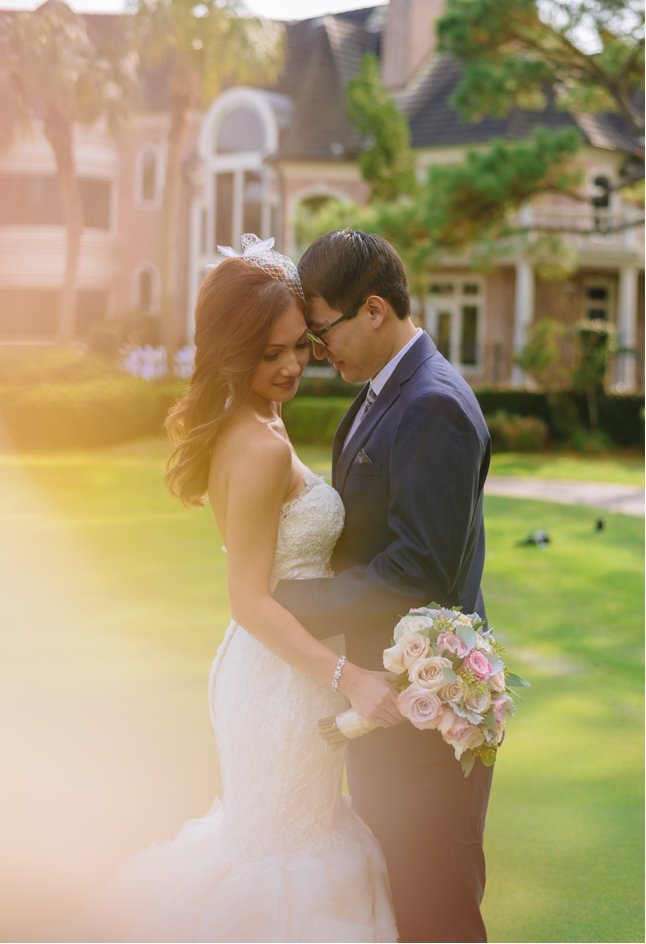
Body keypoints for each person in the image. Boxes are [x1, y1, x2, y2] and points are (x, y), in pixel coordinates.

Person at [58, 234, 399, 943]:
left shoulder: (257, 422)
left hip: (285, 673)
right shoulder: (257, 444)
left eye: (298, 345)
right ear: (230, 348)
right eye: (267, 353)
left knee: (296, 845)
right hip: (277, 682)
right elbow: (247, 599)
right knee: (279, 862)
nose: (290, 366)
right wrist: (350, 678)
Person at [274, 229, 493, 944]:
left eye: (321, 332)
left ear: (373, 310)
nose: (315, 352)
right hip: (380, 704)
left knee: (436, 911)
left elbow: (418, 567)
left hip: (421, 722)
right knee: (394, 906)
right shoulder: (380, 392)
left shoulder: (432, 404)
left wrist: (298, 601)